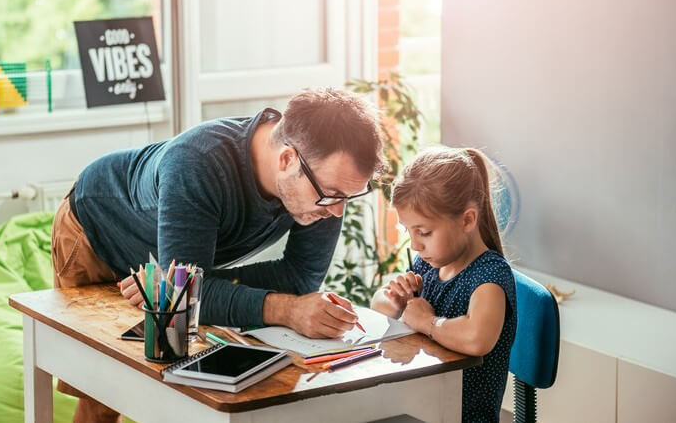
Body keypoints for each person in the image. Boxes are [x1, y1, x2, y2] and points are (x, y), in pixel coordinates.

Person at [51, 87, 386, 422]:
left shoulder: (319, 184)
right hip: (97, 232)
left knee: (180, 379)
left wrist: (170, 285)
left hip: (165, 262)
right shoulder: (197, 163)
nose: (338, 212)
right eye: (331, 196)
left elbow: (300, 277)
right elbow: (187, 294)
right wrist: (285, 309)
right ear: (287, 159)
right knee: (106, 389)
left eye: (349, 197)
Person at [371, 146, 517, 423]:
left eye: (424, 232)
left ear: (467, 220)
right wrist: (396, 301)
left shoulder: (490, 276)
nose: (414, 243)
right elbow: (377, 303)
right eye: (408, 231)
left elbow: (477, 338)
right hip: (424, 408)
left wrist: (427, 322)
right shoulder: (428, 264)